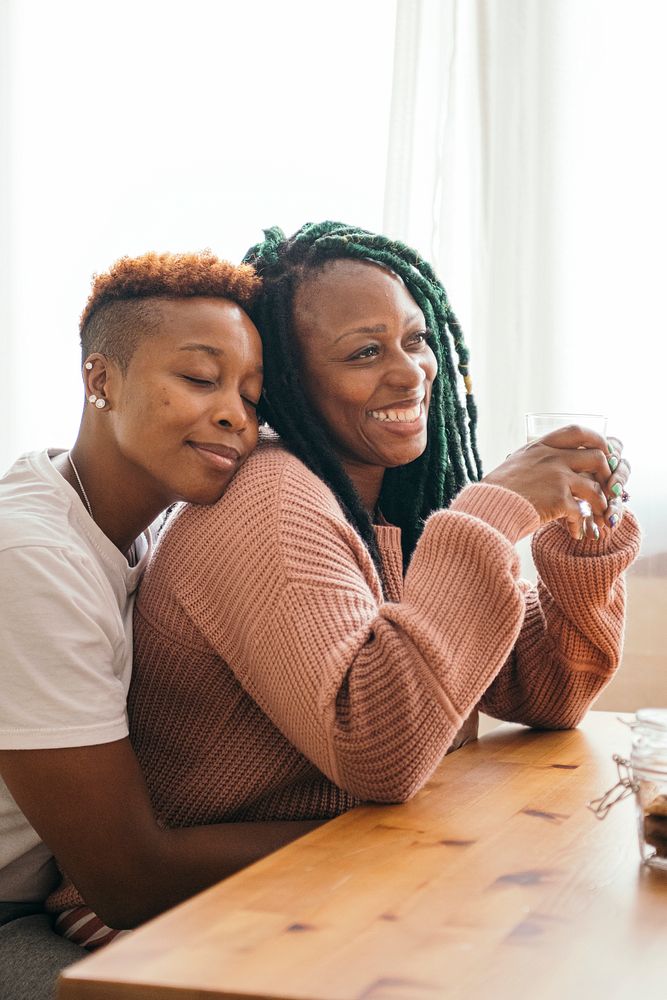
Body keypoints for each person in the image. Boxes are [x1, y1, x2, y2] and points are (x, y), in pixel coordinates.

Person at [53, 221, 640, 943]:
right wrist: (490, 514)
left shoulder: (389, 501)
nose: (408, 372)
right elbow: (378, 753)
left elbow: (549, 692)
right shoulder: (270, 499)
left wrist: (582, 539)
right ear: (290, 382)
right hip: (190, 922)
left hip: (330, 881)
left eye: (416, 340)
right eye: (364, 352)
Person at [0, 251, 319, 1000]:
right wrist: (376, 837)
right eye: (200, 379)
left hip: (61, 897)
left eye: (253, 394)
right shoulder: (29, 557)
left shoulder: (152, 530)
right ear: (100, 380)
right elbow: (129, 880)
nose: (235, 415)